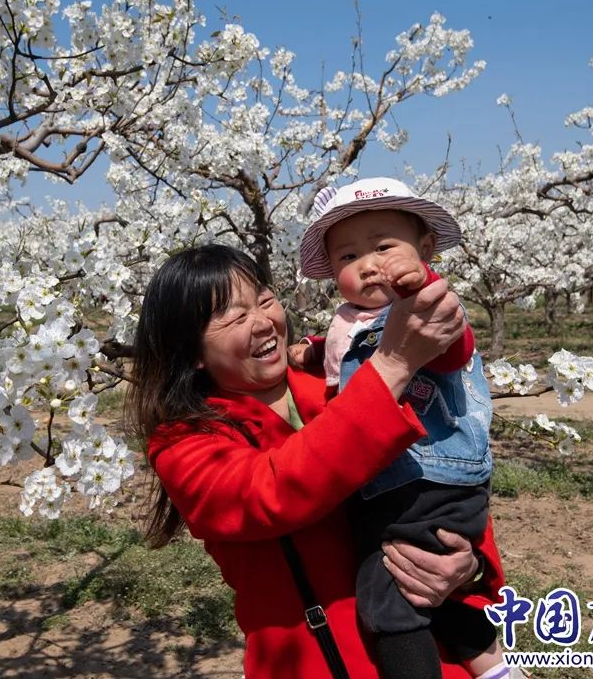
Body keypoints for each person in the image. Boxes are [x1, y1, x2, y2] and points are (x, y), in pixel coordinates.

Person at [126, 243, 506, 679]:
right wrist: (394, 365)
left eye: (265, 299)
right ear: (191, 351)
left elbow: (443, 472)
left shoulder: (336, 379)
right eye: (234, 316)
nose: (262, 321)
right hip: (317, 663)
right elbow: (273, 491)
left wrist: (467, 563)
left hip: (432, 654)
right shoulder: (184, 441)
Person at [298, 177, 515, 679]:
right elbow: (345, 347)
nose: (369, 264)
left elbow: (454, 347)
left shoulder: (427, 308)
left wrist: (420, 286)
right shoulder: (352, 317)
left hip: (429, 481)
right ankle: (494, 667)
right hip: (389, 483)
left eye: (383, 247)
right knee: (422, 587)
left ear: (425, 249)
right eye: (348, 257)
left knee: (388, 600)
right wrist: (310, 350)